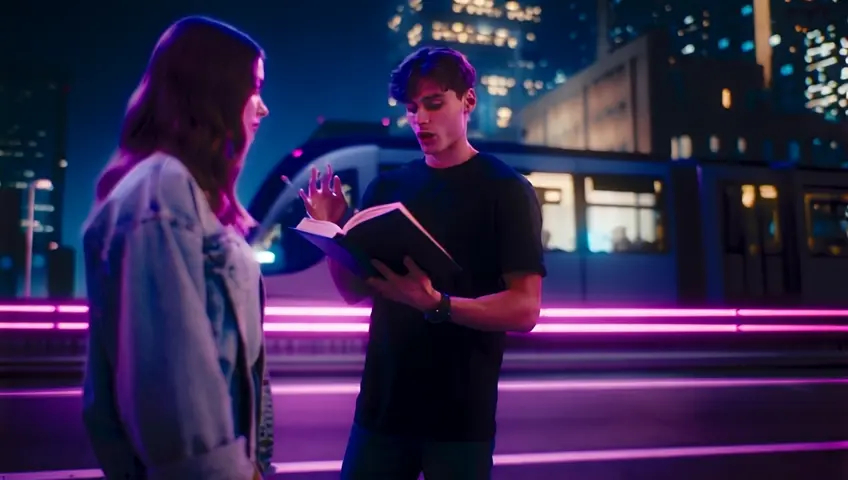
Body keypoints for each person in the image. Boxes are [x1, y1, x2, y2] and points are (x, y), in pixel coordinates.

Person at [299, 46, 546, 479]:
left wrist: (437, 305)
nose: (420, 120)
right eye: (412, 109)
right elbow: (353, 293)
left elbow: (525, 309)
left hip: (459, 418)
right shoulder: (387, 187)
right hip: (381, 409)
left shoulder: (506, 190)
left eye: (434, 104)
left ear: (468, 101)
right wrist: (332, 231)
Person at [81, 16, 273, 480]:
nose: (262, 108)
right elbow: (174, 387)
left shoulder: (183, 195)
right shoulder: (162, 190)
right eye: (254, 88)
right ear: (215, 93)